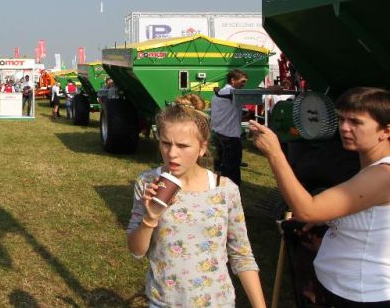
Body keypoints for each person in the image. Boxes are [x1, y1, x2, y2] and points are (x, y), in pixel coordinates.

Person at [249, 87, 390, 306]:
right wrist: (331, 217)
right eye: (341, 119)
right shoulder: (370, 168)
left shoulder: (383, 174)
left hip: (362, 295)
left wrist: (275, 154)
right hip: (344, 289)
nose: (344, 128)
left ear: (386, 131)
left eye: (356, 122)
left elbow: (307, 210)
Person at [126, 104, 266, 307]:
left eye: (183, 146)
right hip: (165, 302)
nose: (172, 153)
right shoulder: (148, 183)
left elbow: (241, 255)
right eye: (166, 143)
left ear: (202, 148)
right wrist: (151, 217)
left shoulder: (224, 189)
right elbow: (136, 251)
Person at [211, 69, 249, 186]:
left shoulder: (219, 94)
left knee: (219, 165)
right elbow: (257, 96)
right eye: (242, 81)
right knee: (231, 167)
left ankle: (218, 185)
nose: (244, 84)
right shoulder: (233, 94)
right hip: (230, 137)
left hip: (218, 134)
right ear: (233, 80)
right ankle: (230, 190)